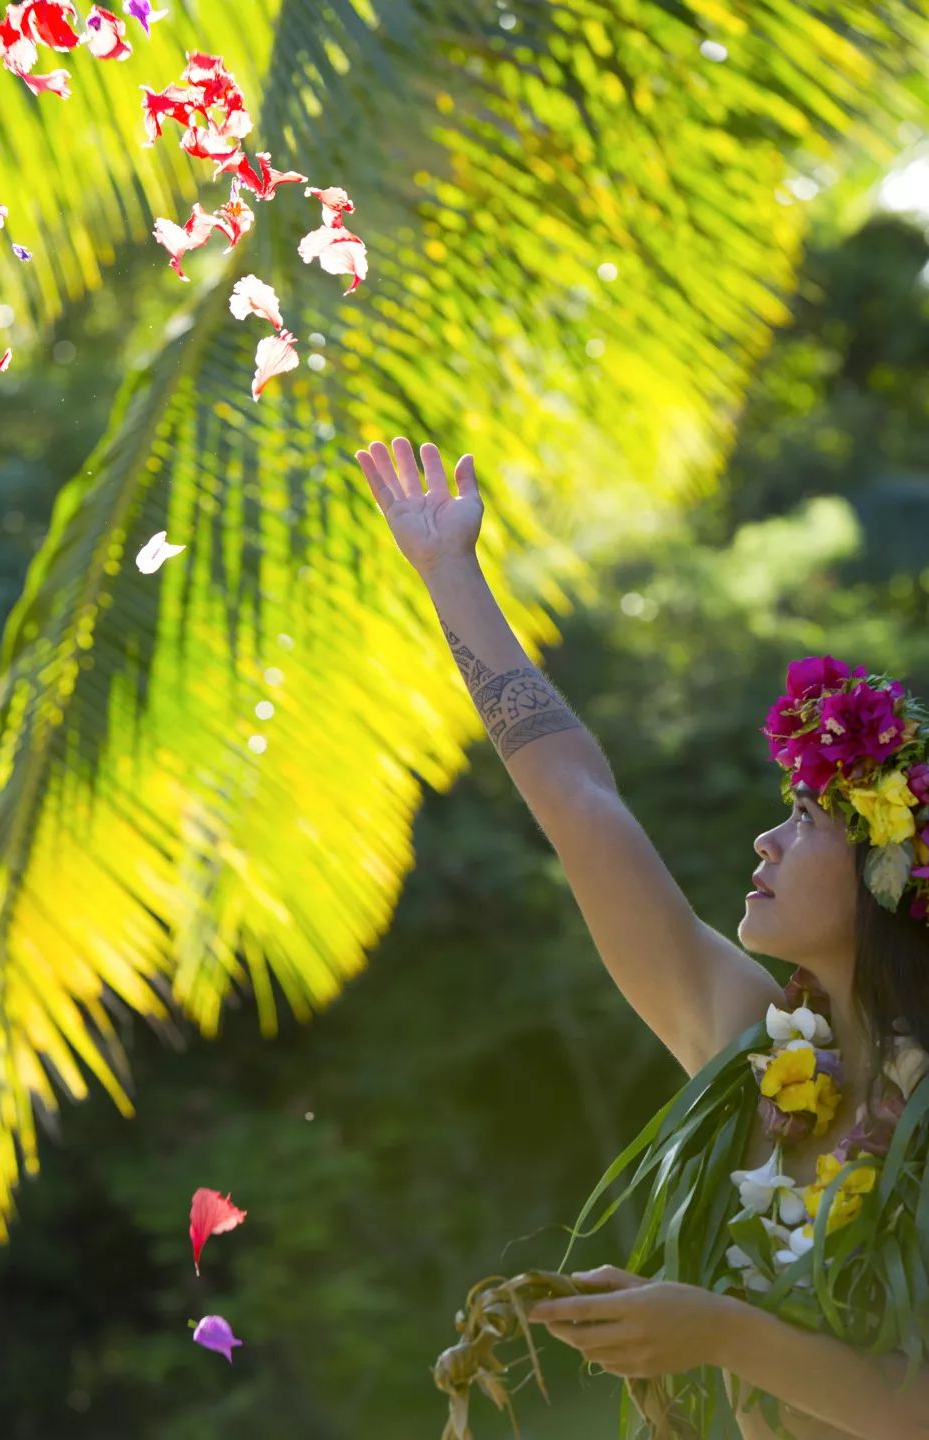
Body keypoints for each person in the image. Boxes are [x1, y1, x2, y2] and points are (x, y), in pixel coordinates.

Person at [354, 437, 929, 1439]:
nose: (767, 836)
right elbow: (579, 802)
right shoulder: (748, 1042)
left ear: (893, 873)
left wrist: (716, 1332)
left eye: (807, 819)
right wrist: (451, 576)